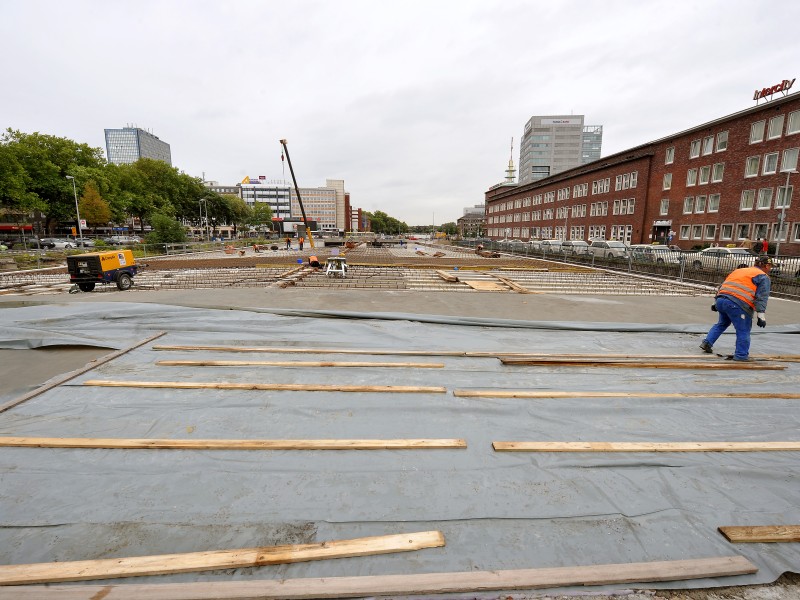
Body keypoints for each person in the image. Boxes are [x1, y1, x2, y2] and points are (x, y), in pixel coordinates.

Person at [699, 255, 773, 361]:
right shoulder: (763, 276)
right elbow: (762, 297)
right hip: (737, 304)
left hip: (722, 300)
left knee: (722, 323)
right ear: (766, 265)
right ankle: (741, 355)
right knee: (743, 330)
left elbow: (724, 285)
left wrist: (715, 301)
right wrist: (761, 315)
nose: (770, 269)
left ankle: (707, 342)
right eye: (770, 266)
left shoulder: (740, 271)